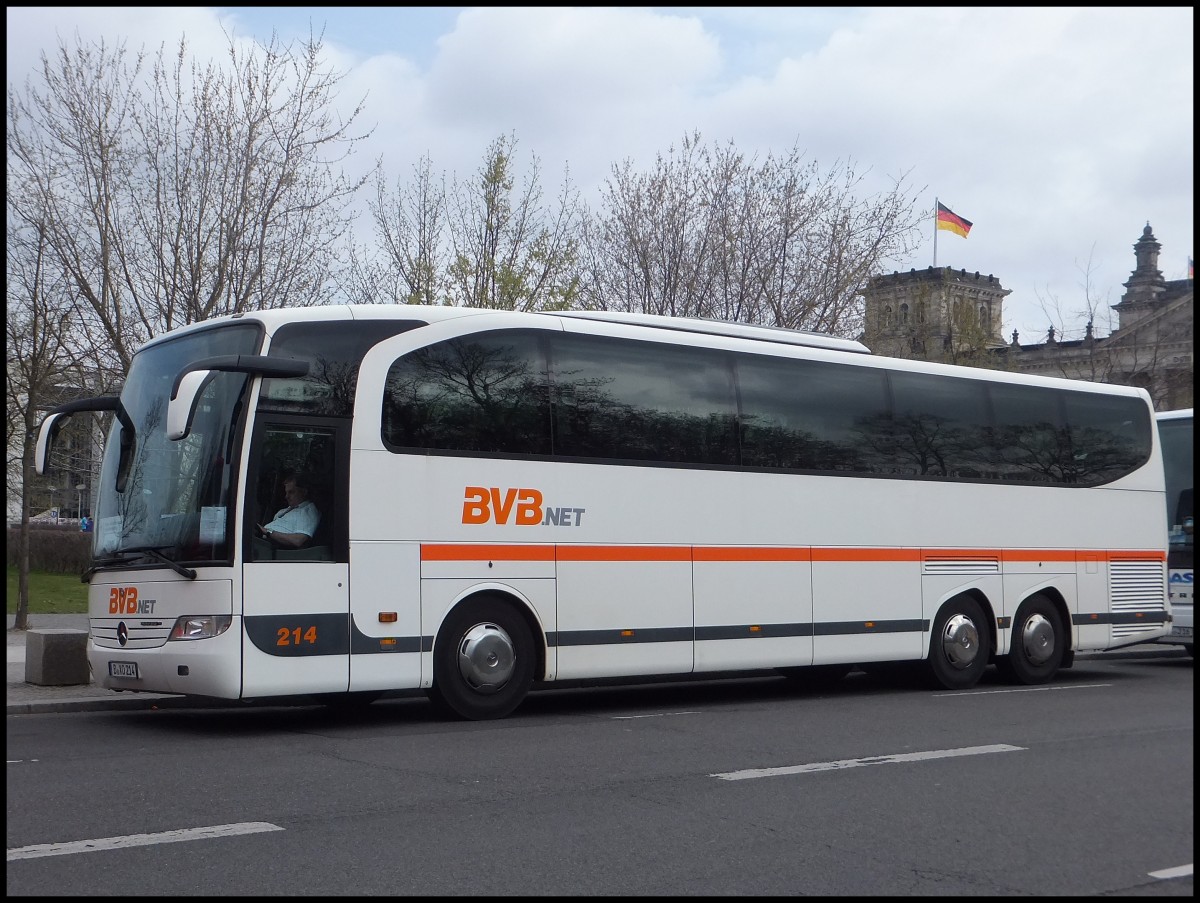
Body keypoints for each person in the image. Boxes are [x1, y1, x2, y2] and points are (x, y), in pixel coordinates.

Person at [256, 472, 320, 549]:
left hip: (278, 552)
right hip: (262, 544)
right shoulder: (283, 511)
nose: (286, 496)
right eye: (286, 492)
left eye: (291, 492)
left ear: (303, 492)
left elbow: (298, 540)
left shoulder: (308, 510)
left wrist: (268, 532)